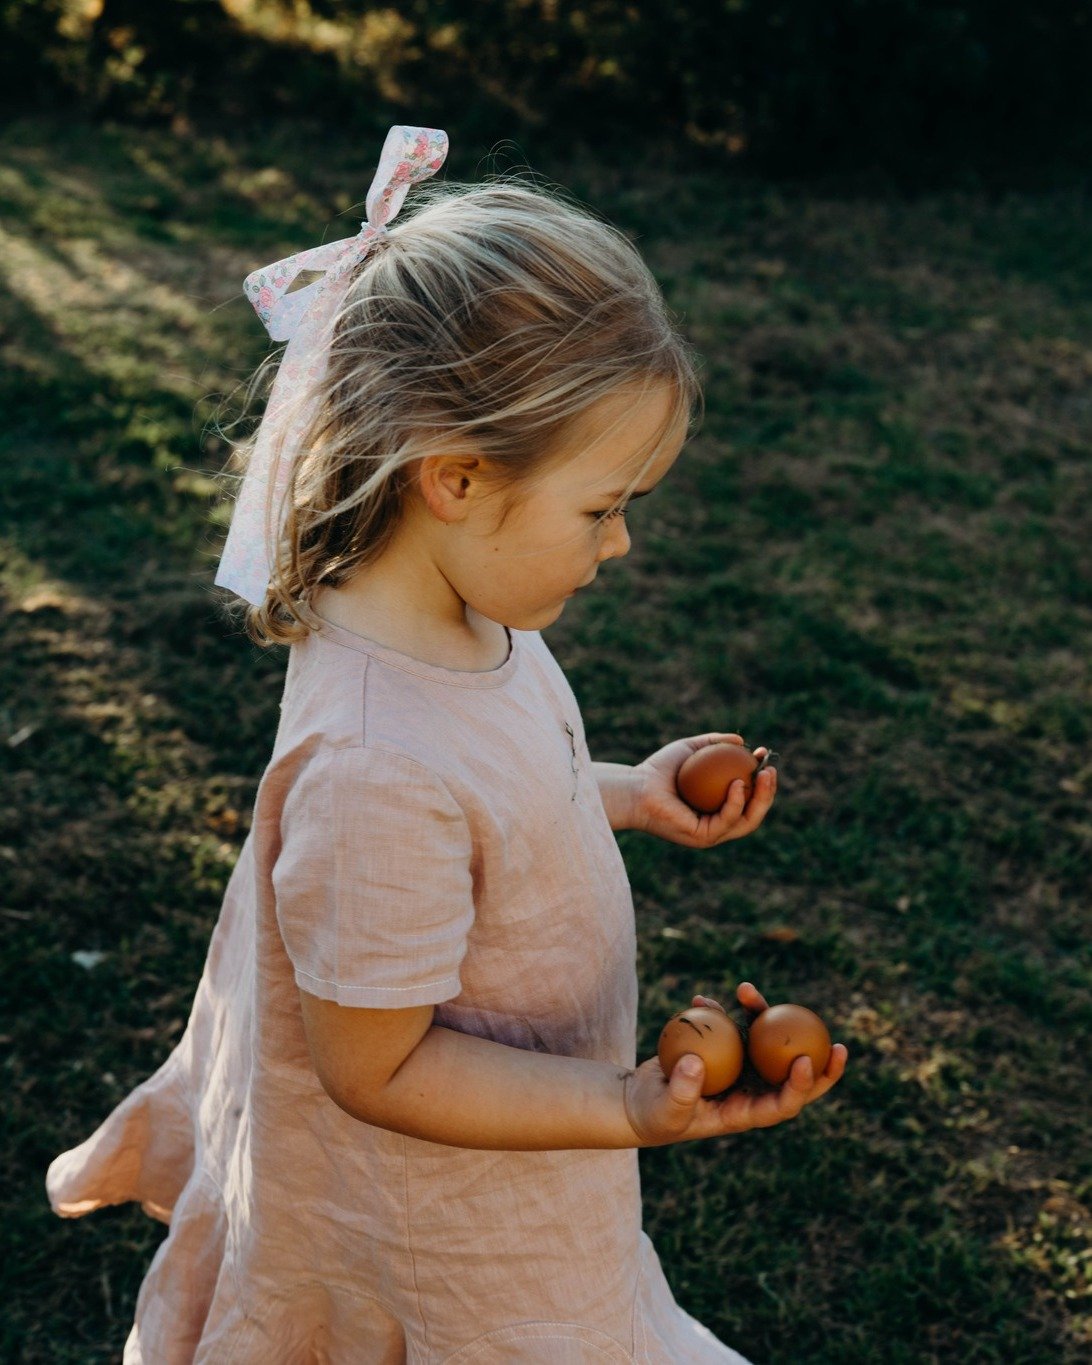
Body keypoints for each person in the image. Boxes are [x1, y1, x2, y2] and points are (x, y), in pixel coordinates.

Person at [46, 125, 847, 1363]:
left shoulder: (460, 623)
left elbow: (493, 789)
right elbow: (379, 1067)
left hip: (528, 1185)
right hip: (442, 1244)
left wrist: (626, 792)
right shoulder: (372, 767)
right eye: (602, 508)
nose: (620, 545)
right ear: (456, 479)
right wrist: (624, 1105)